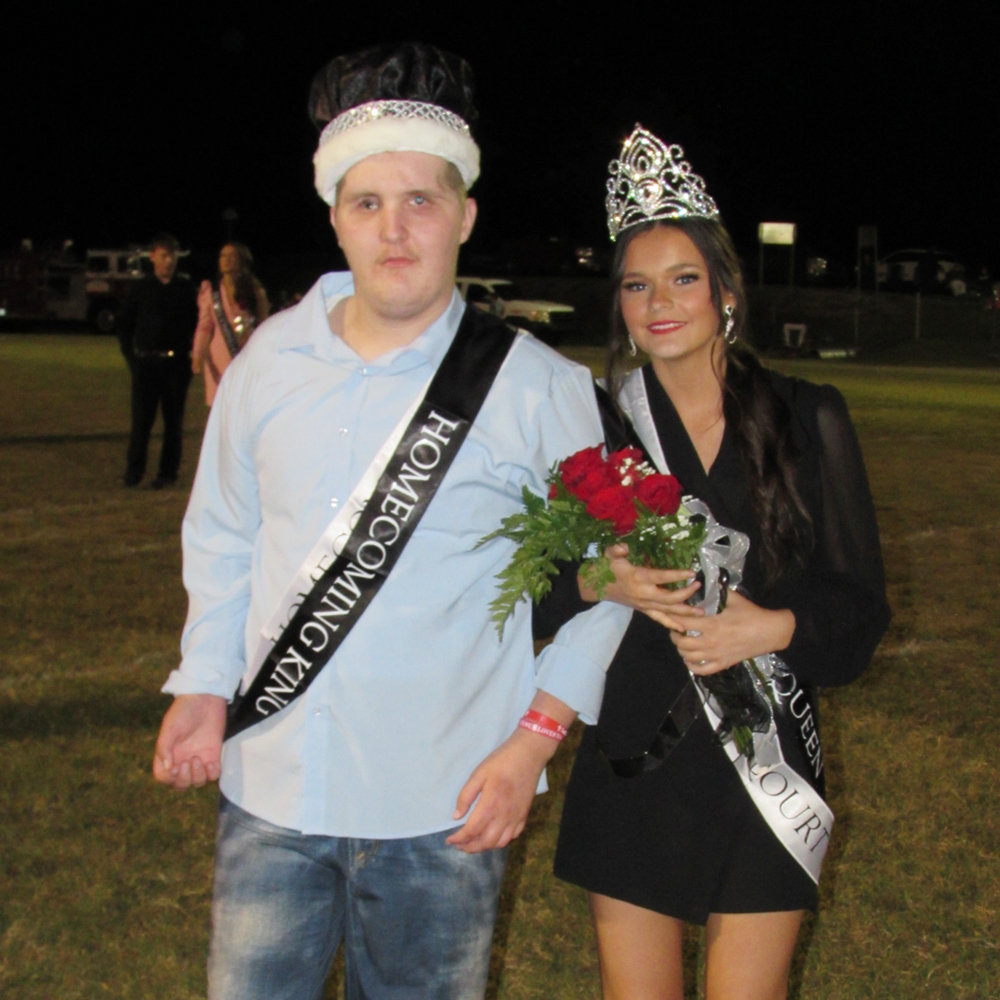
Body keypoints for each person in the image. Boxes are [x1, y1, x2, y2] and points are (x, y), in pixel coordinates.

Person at [151, 42, 630, 1000]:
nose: (395, 229)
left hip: (445, 804)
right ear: (335, 216)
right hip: (271, 789)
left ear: (466, 215)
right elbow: (223, 537)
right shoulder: (267, 365)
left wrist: (534, 740)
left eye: (421, 200)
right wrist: (203, 681)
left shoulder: (536, 385)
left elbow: (620, 572)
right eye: (368, 203)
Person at [538, 126, 891, 1000]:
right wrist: (603, 579)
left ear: (726, 292)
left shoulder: (808, 417)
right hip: (635, 760)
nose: (659, 302)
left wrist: (773, 628)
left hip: (763, 762)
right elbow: (529, 595)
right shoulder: (590, 428)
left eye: (683, 279)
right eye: (636, 285)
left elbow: (859, 611)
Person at [118, 233, 199, 488]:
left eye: (172, 256)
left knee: (173, 424)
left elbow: (198, 325)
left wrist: (191, 359)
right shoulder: (141, 288)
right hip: (146, 364)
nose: (169, 261)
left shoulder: (185, 288)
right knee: (141, 422)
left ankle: (167, 473)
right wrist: (133, 360)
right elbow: (124, 326)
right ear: (153, 257)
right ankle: (134, 472)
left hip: (176, 365)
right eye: (164, 255)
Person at [192, 242, 270, 405]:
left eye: (231, 256)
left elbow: (264, 324)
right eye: (223, 256)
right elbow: (204, 327)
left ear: (241, 260)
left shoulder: (254, 291)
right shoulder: (211, 292)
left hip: (247, 355)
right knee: (221, 408)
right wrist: (197, 355)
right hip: (219, 359)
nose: (226, 260)